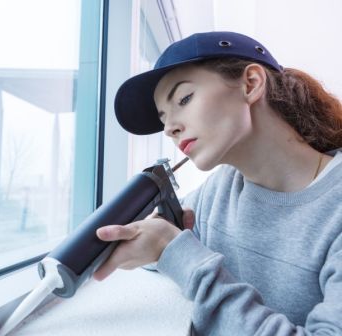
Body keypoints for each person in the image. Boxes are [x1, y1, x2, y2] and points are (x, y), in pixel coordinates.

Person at [94, 31, 342, 335]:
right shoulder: (218, 191)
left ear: (250, 84)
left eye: (183, 98)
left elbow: (178, 255)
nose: (170, 128)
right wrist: (161, 244)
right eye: (163, 119)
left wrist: (177, 253)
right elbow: (161, 244)